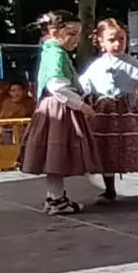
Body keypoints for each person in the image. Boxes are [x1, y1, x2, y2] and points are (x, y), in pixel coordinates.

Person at [78, 18, 138, 204]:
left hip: (130, 114)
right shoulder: (96, 66)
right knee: (106, 149)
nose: (118, 44)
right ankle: (109, 190)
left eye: (122, 39)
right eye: (112, 39)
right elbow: (84, 85)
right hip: (105, 114)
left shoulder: (134, 65)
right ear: (101, 41)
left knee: (137, 148)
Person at [19, 11, 99, 215]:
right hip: (58, 107)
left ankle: (55, 197)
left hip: (53, 105)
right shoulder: (55, 53)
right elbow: (57, 85)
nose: (75, 39)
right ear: (55, 32)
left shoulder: (52, 50)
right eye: (71, 34)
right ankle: (56, 200)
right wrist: (81, 106)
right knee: (56, 154)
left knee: (54, 156)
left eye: (77, 34)